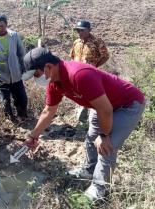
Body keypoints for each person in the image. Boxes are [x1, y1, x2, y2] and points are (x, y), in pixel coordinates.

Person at [22, 47, 145, 201]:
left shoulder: (79, 75)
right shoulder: (54, 83)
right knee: (91, 139)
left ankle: (99, 189)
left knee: (106, 147)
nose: (36, 79)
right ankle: (88, 170)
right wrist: (33, 135)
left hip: (127, 105)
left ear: (48, 67)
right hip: (99, 105)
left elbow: (106, 110)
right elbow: (48, 111)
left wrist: (105, 135)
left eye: (36, 74)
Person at [0, 14, 27, 121]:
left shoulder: (14, 35)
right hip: (0, 75)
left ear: (6, 25)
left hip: (16, 73)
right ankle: (10, 119)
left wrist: (23, 67)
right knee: (5, 99)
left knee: (22, 98)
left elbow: (21, 53)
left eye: (1, 26)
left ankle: (22, 115)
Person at [70, 20, 110, 122]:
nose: (80, 33)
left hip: (89, 74)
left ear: (89, 30)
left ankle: (91, 117)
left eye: (82, 30)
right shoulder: (76, 42)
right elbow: (72, 57)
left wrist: (95, 66)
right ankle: (80, 115)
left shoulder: (97, 42)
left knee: (90, 94)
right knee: (78, 93)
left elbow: (105, 56)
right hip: (76, 74)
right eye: (78, 31)